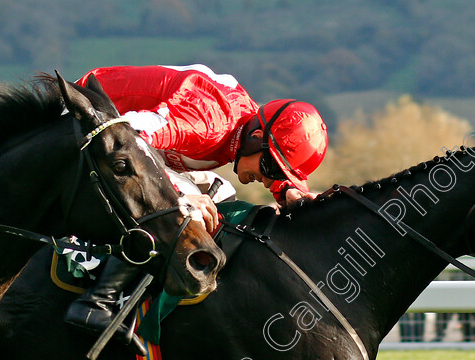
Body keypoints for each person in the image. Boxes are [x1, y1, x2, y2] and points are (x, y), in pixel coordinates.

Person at [64, 64, 329, 345]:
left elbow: (275, 171)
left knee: (222, 195)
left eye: (277, 173)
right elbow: (130, 143)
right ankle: (97, 302)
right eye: (271, 169)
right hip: (85, 122)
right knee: (190, 208)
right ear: (256, 137)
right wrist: (179, 198)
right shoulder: (208, 122)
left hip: (132, 139)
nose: (265, 179)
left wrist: (290, 190)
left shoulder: (248, 126)